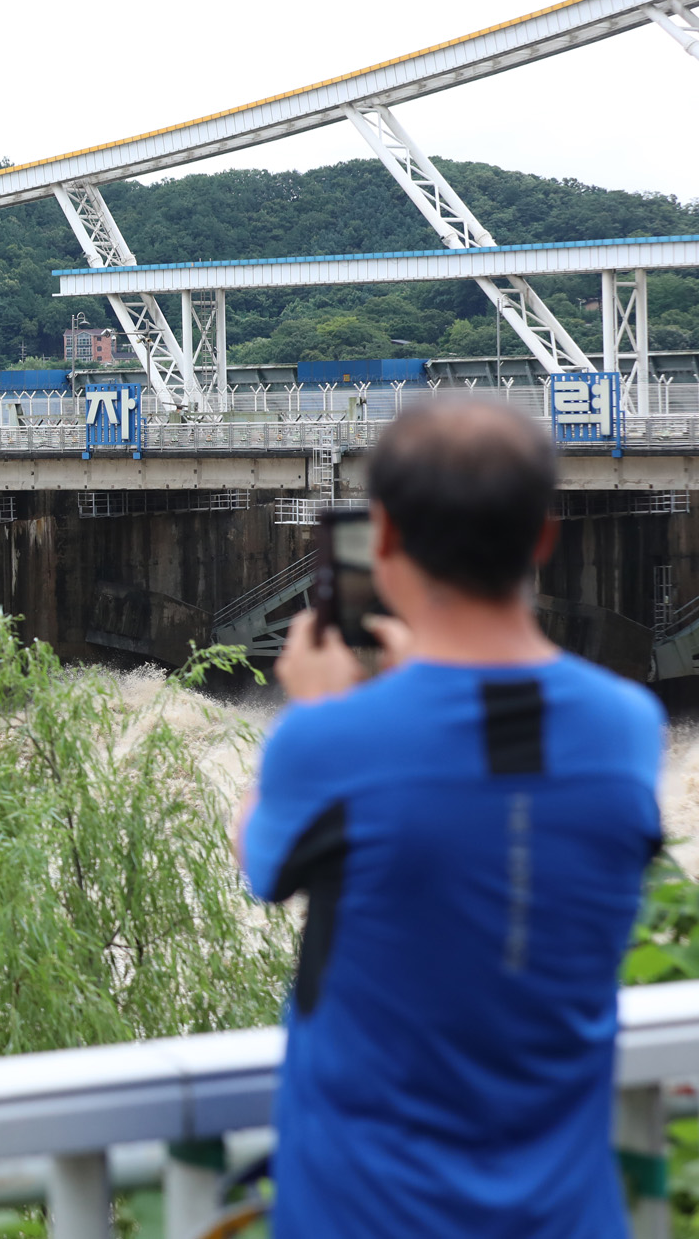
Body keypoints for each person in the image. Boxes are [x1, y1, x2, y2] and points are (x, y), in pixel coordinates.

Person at [238, 399, 664, 1237]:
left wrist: (318, 710)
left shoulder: (335, 740)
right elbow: (499, 776)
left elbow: (262, 861)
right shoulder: (626, 727)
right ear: (543, 536)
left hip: (363, 1214)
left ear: (384, 534)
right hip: (570, 1217)